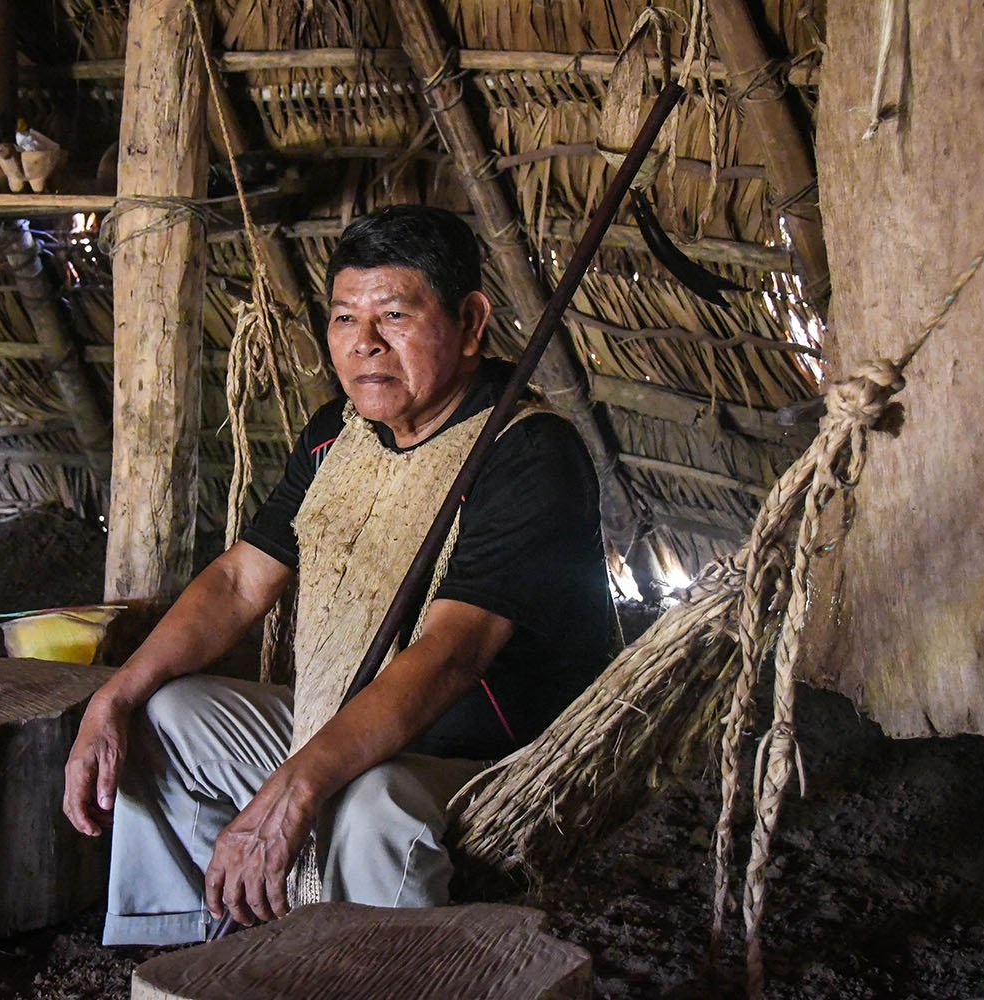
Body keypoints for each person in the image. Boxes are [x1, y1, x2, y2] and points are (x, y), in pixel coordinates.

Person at [63, 205, 612, 946]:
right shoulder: (336, 436)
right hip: (342, 719)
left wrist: (297, 785)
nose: (365, 345)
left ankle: (359, 972)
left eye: (394, 315)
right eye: (345, 318)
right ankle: (193, 953)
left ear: (472, 322)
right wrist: (113, 695)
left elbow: (453, 654)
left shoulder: (526, 454)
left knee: (370, 803)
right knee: (168, 718)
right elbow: (238, 583)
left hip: (481, 760)